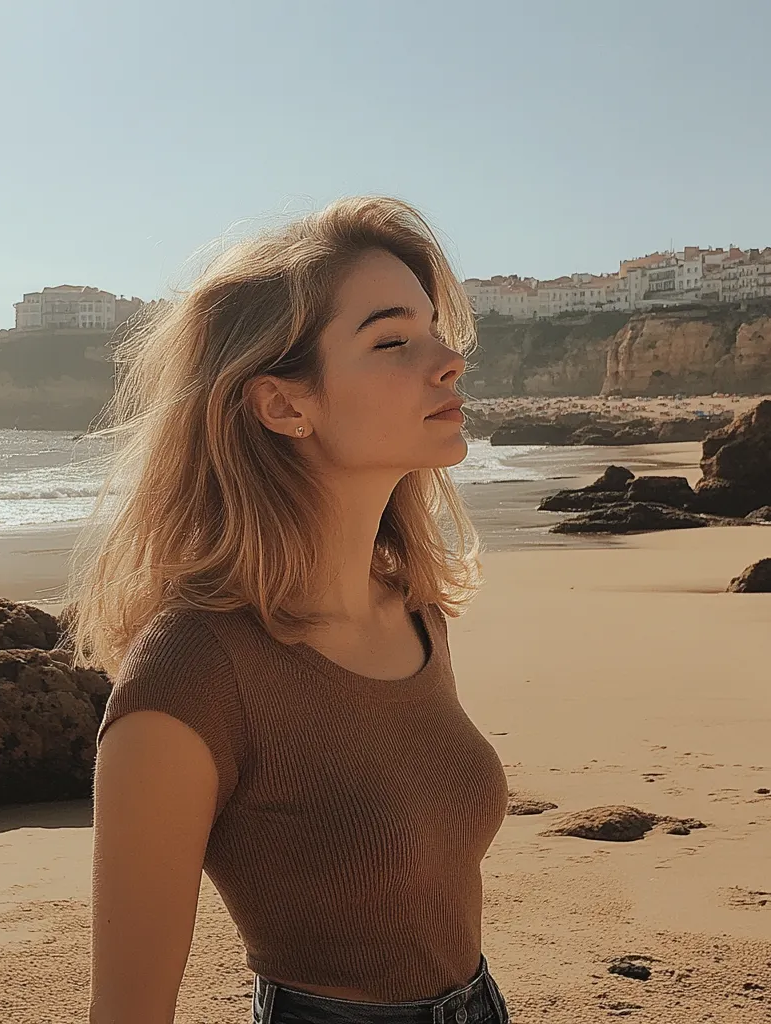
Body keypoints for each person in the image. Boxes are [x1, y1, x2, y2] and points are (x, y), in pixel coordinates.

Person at [64, 195, 511, 1024]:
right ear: (283, 405)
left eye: (436, 331)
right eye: (392, 341)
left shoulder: (413, 610)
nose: (447, 361)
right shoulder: (192, 675)